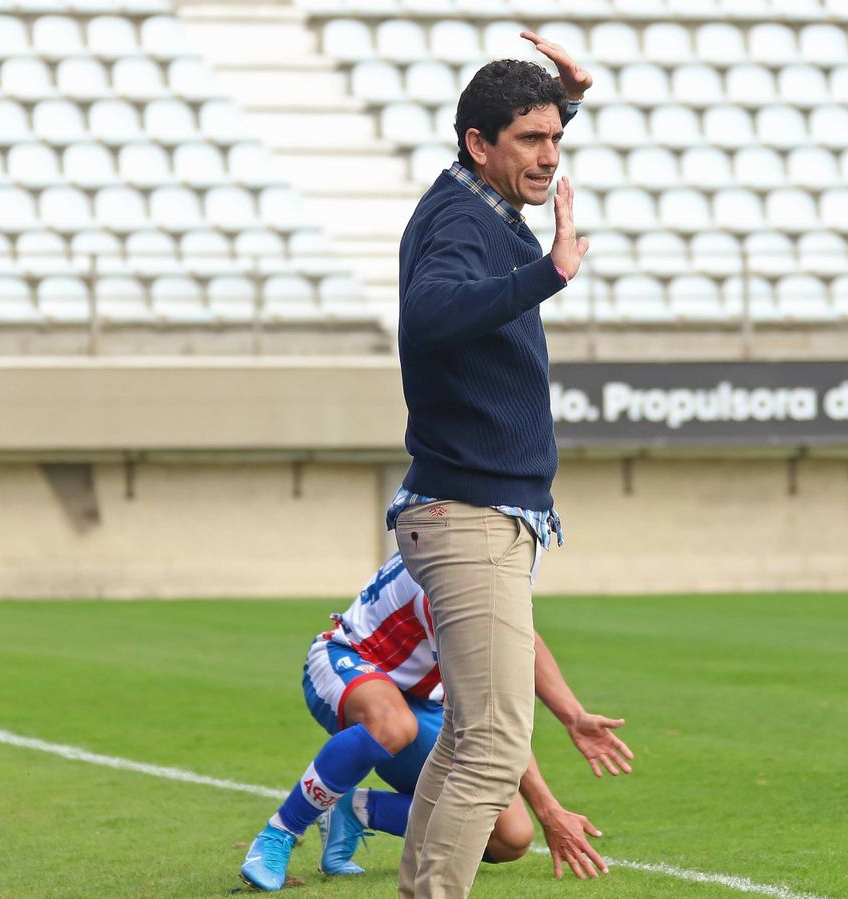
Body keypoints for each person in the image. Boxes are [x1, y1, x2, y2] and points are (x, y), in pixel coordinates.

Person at [388, 31, 593, 898]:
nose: (550, 155)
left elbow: (520, 153)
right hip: (468, 516)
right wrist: (548, 273)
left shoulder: (474, 202)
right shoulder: (460, 220)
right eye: (531, 138)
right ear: (478, 143)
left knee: (474, 738)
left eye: (557, 137)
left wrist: (565, 96)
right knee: (496, 744)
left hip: (473, 511)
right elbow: (431, 314)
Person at [238, 553, 631, 892]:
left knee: (510, 837)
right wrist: (549, 809)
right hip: (350, 659)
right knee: (394, 724)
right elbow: (489, 708)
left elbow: (520, 636)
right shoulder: (448, 573)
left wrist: (573, 716)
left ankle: (354, 808)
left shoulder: (502, 546)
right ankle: (280, 833)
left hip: (422, 697)